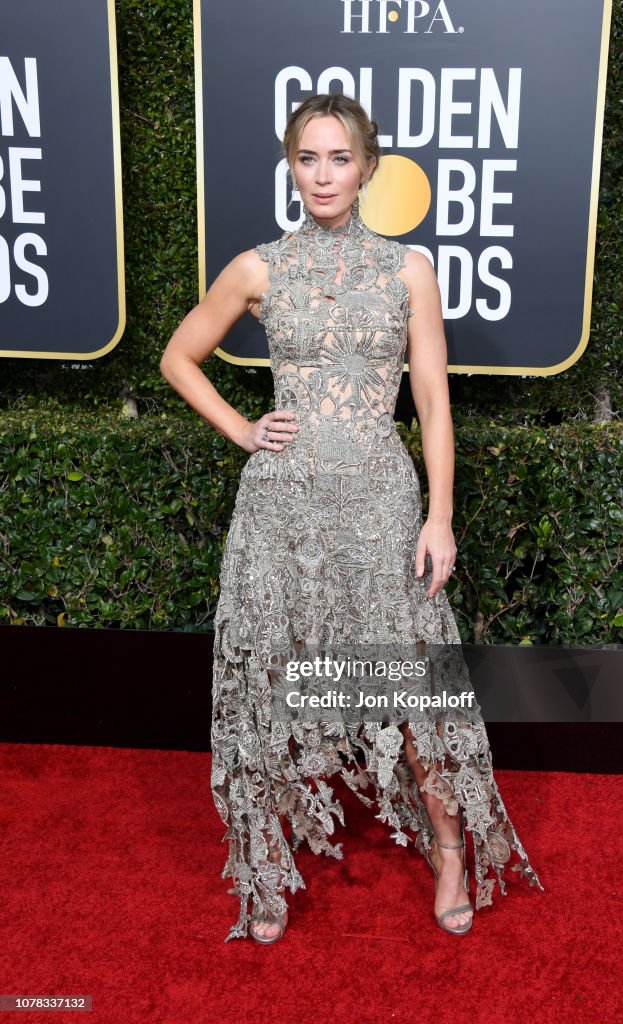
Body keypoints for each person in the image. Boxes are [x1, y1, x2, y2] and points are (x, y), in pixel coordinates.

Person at [160, 93, 543, 945]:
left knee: (410, 689)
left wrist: (438, 517)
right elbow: (178, 356)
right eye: (307, 157)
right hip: (282, 510)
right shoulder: (257, 268)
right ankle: (263, 869)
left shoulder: (408, 270)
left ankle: (448, 849)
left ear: (368, 167)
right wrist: (241, 428)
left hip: (378, 503)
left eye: (339, 158)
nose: (323, 174)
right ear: (289, 166)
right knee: (264, 687)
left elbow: (435, 406)